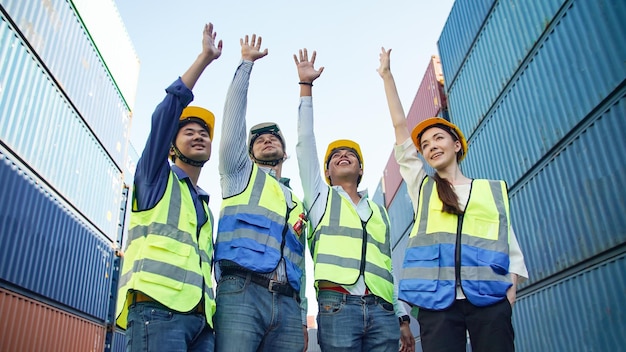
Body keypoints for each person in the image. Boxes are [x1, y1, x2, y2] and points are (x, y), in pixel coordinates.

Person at [377, 47, 529, 352]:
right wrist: (387, 77)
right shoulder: (422, 188)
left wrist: (507, 301)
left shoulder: (490, 191)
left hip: (489, 302)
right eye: (425, 144)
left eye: (439, 138)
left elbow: (511, 250)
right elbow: (400, 131)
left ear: (457, 144)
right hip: (438, 306)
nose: (431, 146)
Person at [294, 48, 415, 352]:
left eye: (350, 155)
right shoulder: (319, 197)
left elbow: (387, 266)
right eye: (335, 156)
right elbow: (305, 143)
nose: (343, 156)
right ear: (326, 172)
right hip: (338, 305)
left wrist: (402, 317)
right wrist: (306, 88)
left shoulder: (378, 211)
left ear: (361, 169)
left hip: (383, 310)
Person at [115, 23, 222, 351]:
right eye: (188, 131)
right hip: (156, 312)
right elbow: (164, 114)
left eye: (203, 133)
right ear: (171, 147)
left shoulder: (204, 204)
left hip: (200, 320)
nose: (199, 135)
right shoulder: (154, 177)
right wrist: (203, 59)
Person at [214, 34, 308, 352]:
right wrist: (246, 65)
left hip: (288, 305)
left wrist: (303, 311)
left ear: (284, 152)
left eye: (274, 137)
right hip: (241, 291)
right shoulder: (239, 175)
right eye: (259, 139)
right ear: (249, 152)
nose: (267, 139)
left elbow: (301, 264)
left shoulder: (297, 203)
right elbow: (232, 124)